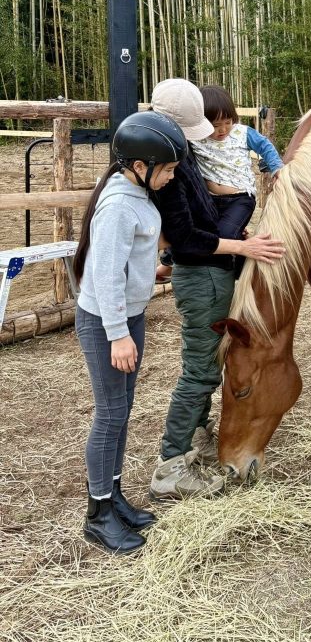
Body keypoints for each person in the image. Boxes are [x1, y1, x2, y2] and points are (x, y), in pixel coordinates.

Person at [148, 78, 285, 500]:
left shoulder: (181, 159)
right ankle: (170, 463)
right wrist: (243, 245)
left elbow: (203, 205)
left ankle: (201, 432)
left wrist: (240, 198)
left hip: (211, 269)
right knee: (201, 370)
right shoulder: (166, 170)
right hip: (202, 273)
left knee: (212, 362)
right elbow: (186, 237)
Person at [74, 111, 187, 554]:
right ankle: (98, 515)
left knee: (121, 411)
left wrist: (152, 272)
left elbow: (132, 256)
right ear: (140, 166)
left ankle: (113, 495)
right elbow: (104, 273)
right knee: (109, 415)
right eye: (169, 169)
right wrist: (117, 333)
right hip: (107, 322)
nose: (172, 176)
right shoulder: (120, 204)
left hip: (128, 316)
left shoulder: (134, 193)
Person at [155, 85, 283, 282]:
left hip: (240, 199)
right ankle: (169, 262)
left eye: (228, 122)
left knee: (224, 234)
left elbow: (264, 146)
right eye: (215, 125)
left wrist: (276, 168)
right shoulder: (197, 137)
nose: (222, 129)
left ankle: (240, 271)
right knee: (193, 227)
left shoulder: (242, 133)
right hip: (211, 199)